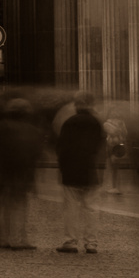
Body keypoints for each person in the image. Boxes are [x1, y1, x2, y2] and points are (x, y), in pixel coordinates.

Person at [0, 98, 40, 251]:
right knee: (18, 207)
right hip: (19, 175)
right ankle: (17, 239)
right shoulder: (31, 130)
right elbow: (34, 155)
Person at [56, 91, 107, 254]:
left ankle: (70, 242)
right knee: (91, 208)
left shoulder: (70, 122)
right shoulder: (96, 122)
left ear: (76, 105)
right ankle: (91, 243)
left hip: (71, 169)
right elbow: (100, 146)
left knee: (71, 208)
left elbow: (62, 147)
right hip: (90, 170)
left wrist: (62, 167)